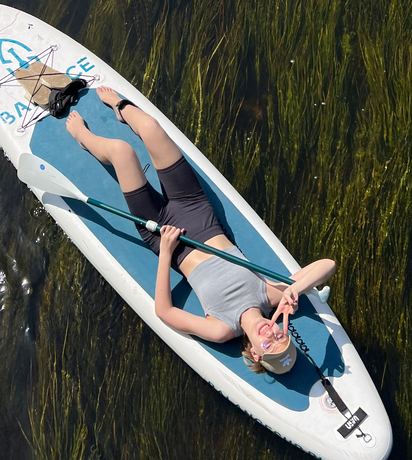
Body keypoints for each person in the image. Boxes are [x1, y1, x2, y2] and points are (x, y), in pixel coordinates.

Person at [66, 86, 337, 374]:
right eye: (280, 337)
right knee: (152, 128)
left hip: (165, 234)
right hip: (195, 207)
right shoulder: (270, 296)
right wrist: (293, 290)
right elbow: (328, 265)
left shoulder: (222, 329)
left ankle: (84, 138)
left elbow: (165, 312)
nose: (271, 335)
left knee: (122, 153)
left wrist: (167, 253)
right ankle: (121, 108)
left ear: (255, 354)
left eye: (268, 345)